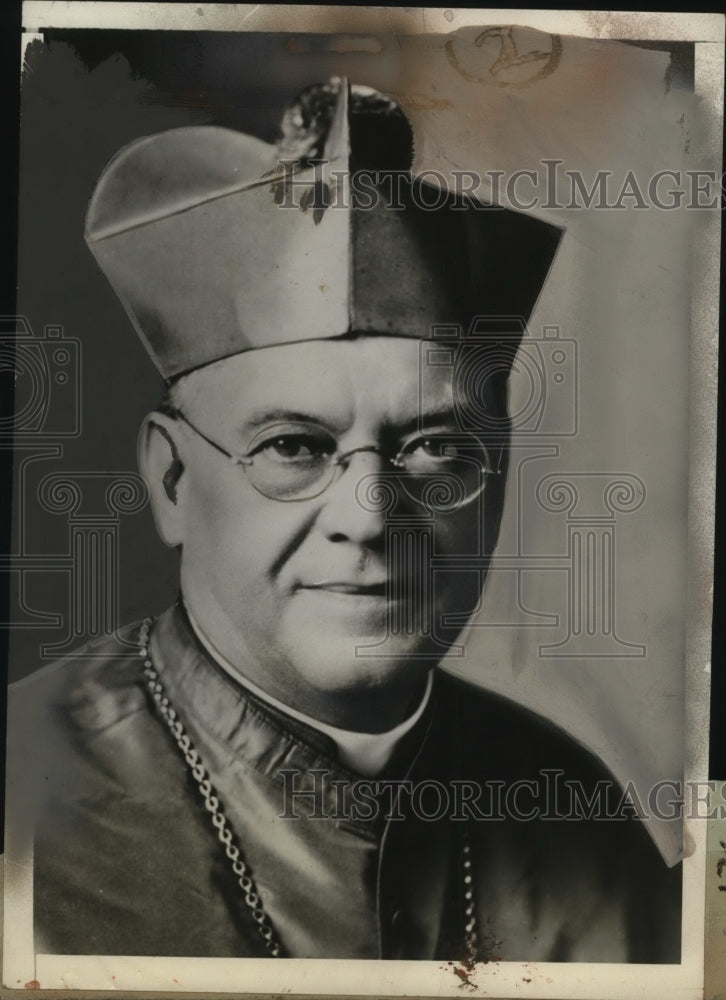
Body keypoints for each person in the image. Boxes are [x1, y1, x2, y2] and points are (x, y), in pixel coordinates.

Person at [6, 79, 681, 963]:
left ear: (501, 475)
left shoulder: (579, 812)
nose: (368, 522)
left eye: (436, 448)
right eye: (294, 446)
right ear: (173, 481)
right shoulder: (18, 799)